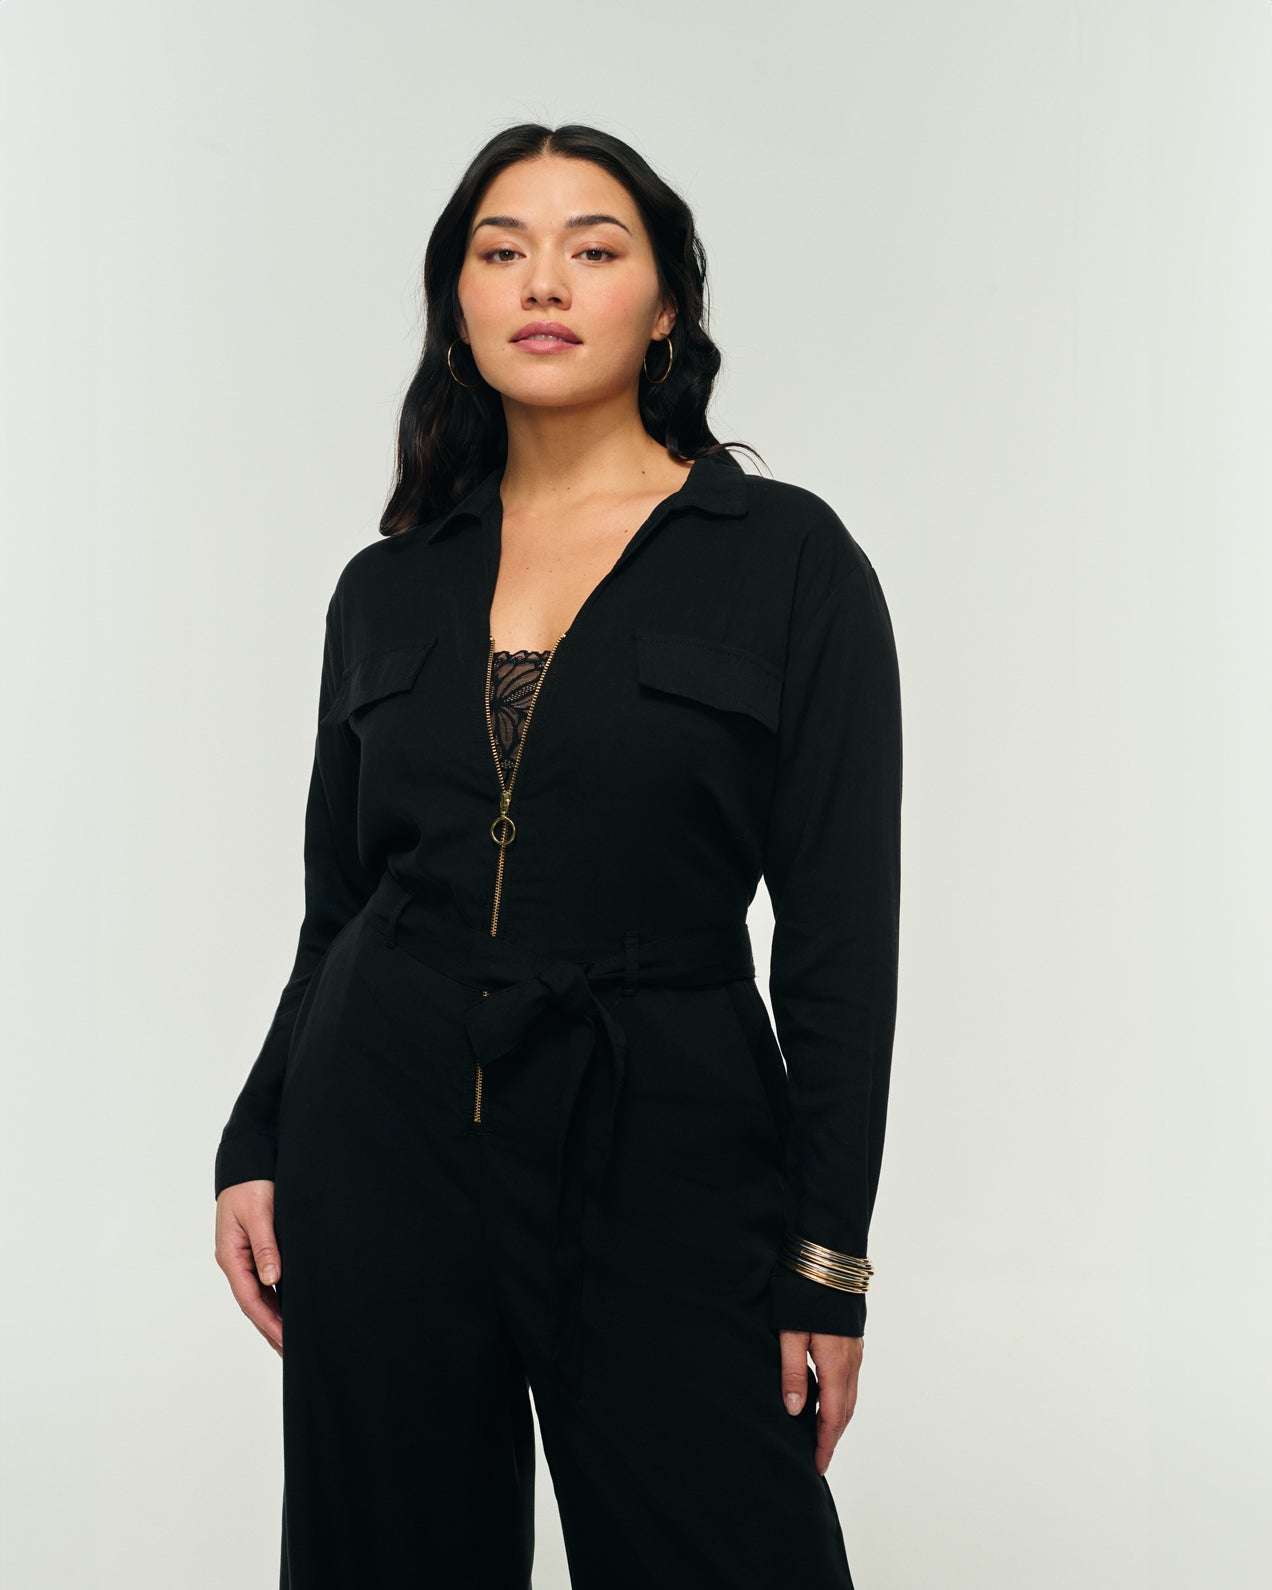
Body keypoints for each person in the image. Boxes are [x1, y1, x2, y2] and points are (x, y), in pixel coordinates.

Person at [212, 121, 902, 1590]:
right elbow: (339, 910)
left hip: (667, 1146)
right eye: (501, 250)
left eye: (594, 248)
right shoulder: (388, 587)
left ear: (664, 309)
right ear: (457, 307)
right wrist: (255, 1138)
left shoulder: (786, 559)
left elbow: (842, 943)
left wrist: (826, 1259)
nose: (544, 280)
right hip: (382, 1133)